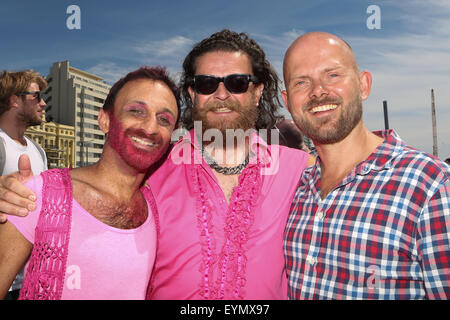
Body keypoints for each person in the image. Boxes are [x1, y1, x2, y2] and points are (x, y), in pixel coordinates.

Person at [0, 30, 312, 300]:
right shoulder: (154, 168)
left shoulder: (300, 168)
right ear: (192, 94)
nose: (221, 94)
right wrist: (27, 190)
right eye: (206, 84)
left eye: (237, 82)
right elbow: (94, 188)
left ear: (257, 92)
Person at [281, 31, 450, 299]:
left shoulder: (431, 186)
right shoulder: (293, 189)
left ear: (364, 85)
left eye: (333, 75)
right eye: (301, 82)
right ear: (287, 101)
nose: (318, 91)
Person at [0, 66, 180, 300]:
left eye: (164, 119)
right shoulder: (36, 195)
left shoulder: (158, 210)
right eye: (136, 111)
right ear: (104, 120)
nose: (150, 128)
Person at [0, 70, 48, 300]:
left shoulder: (37, 150)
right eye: (36, 96)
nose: (43, 103)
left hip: (30, 280)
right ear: (14, 100)